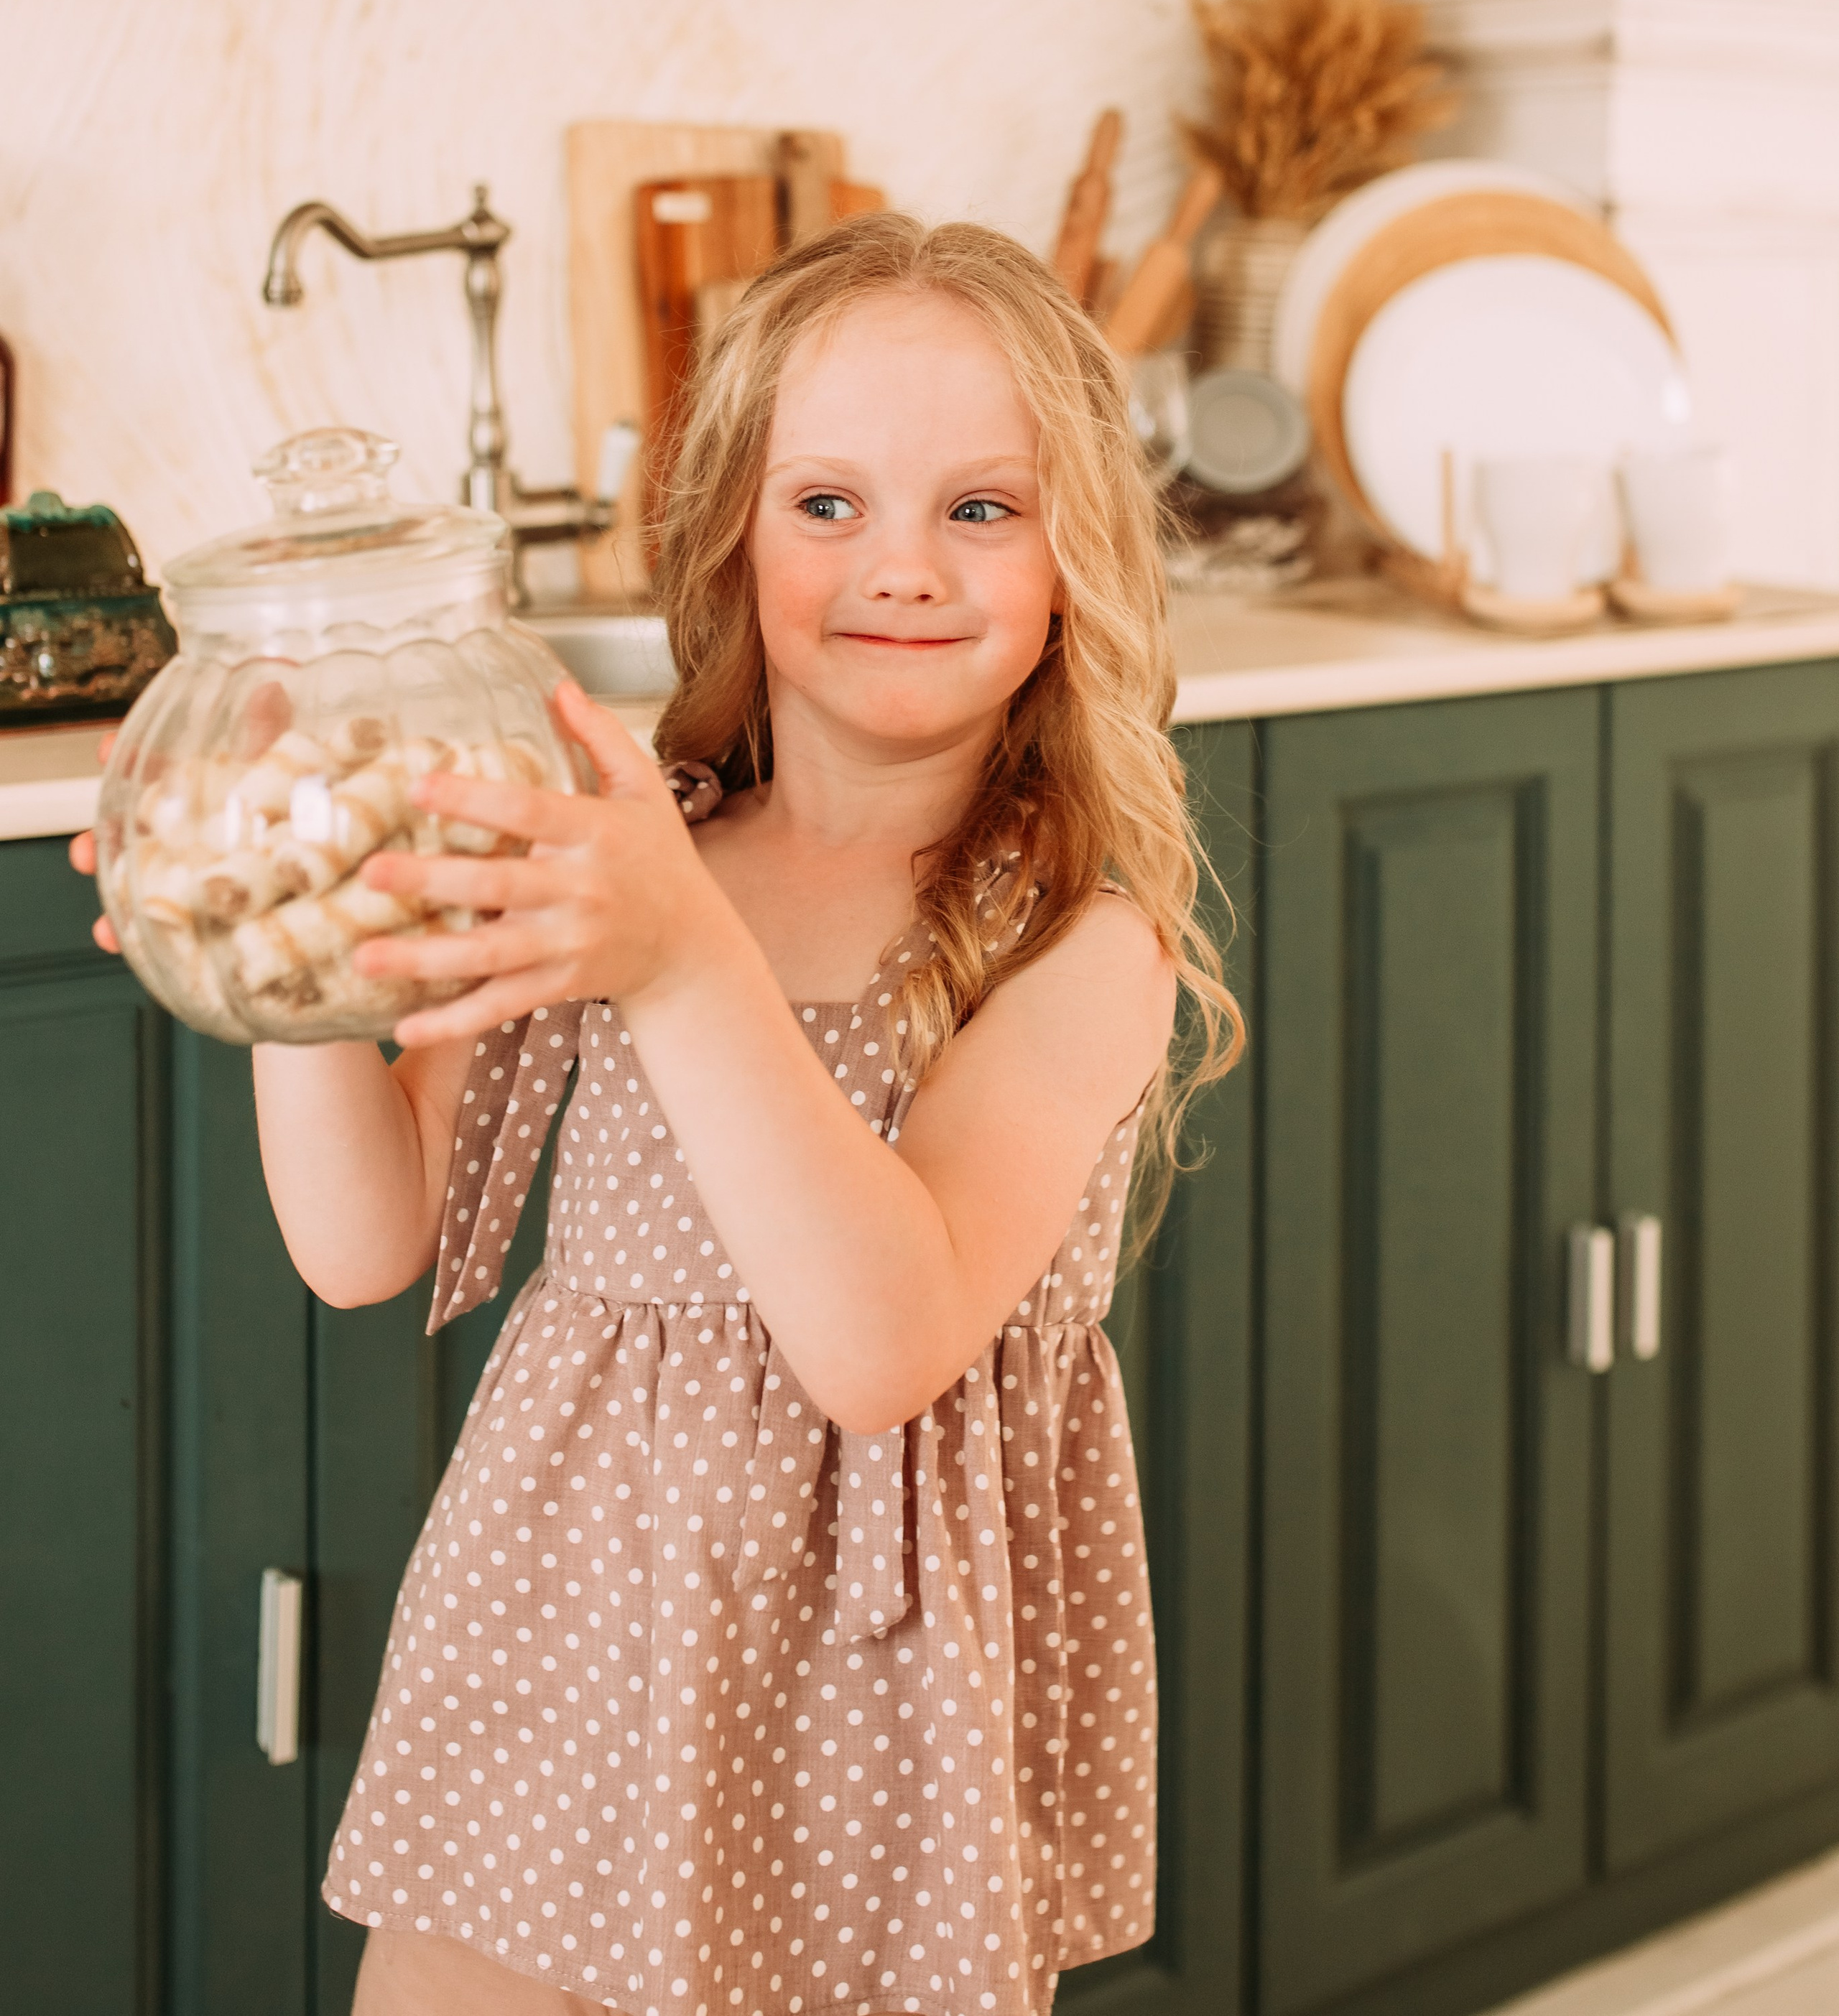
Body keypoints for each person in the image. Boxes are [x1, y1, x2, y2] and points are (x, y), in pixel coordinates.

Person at [83, 214, 1241, 2016]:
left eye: (981, 509)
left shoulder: (1076, 944)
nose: (903, 569)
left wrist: (675, 959)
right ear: (732, 530)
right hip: (553, 1646)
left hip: (865, 1714)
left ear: (1076, 553)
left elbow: (882, 1344)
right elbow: (365, 1240)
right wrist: (275, 942)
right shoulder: (630, 839)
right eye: (828, 503)